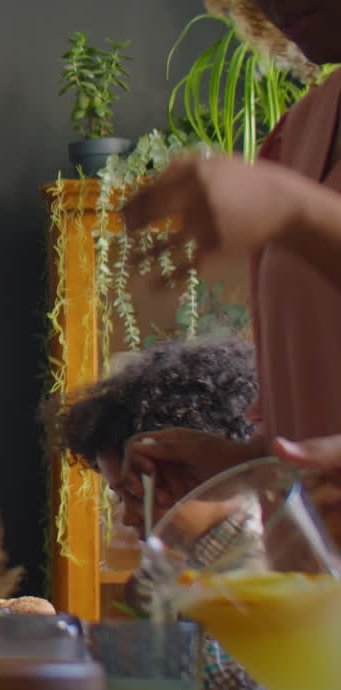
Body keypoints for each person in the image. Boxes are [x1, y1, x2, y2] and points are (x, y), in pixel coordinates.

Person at [117, 0, 341, 519]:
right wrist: (242, 464)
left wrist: (295, 210)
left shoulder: (286, 184)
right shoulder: (301, 132)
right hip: (309, 584)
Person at [44, 338, 266, 690]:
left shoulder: (263, 549)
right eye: (119, 497)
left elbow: (238, 676)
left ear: (198, 469)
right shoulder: (163, 568)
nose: (130, 518)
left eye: (136, 494)